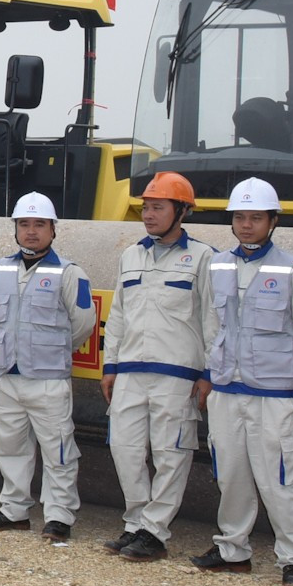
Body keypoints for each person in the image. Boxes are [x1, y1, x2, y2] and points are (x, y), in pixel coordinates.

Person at [192, 177, 293, 586]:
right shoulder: (218, 264)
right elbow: (211, 324)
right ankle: (232, 549)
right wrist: (214, 372)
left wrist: (289, 380)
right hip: (227, 390)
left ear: (273, 221)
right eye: (240, 217)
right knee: (230, 474)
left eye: (255, 217)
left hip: (272, 394)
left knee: (282, 478)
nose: (246, 225)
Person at [100, 171, 215, 562]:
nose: (148, 215)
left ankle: (155, 530)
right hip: (130, 371)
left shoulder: (203, 258)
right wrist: (110, 365)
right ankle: (135, 522)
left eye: (158, 207)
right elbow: (117, 316)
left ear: (181, 211)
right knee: (125, 448)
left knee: (171, 452)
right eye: (146, 207)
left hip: (177, 373)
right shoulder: (130, 256)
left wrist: (208, 372)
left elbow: (213, 320)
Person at [0, 193, 98, 543]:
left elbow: (83, 324)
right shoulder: (1, 269)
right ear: (15, 229)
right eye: (24, 225)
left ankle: (59, 516)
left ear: (53, 230)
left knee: (58, 450)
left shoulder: (69, 272)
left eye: (39, 225)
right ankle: (14, 510)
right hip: (8, 376)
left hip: (48, 379)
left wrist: (51, 351)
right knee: (10, 447)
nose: (31, 232)